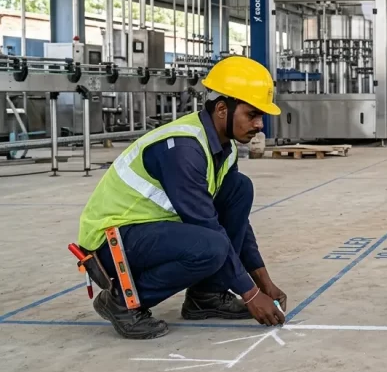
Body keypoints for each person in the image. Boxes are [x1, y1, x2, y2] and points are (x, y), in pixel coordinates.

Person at [76, 56, 288, 339]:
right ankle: (122, 303)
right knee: (210, 245)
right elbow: (207, 224)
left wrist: (263, 281)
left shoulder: (226, 149)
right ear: (223, 109)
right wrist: (249, 294)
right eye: (252, 114)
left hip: (151, 230)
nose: (260, 125)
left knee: (239, 188)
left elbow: (237, 223)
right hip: (112, 240)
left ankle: (206, 296)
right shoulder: (183, 149)